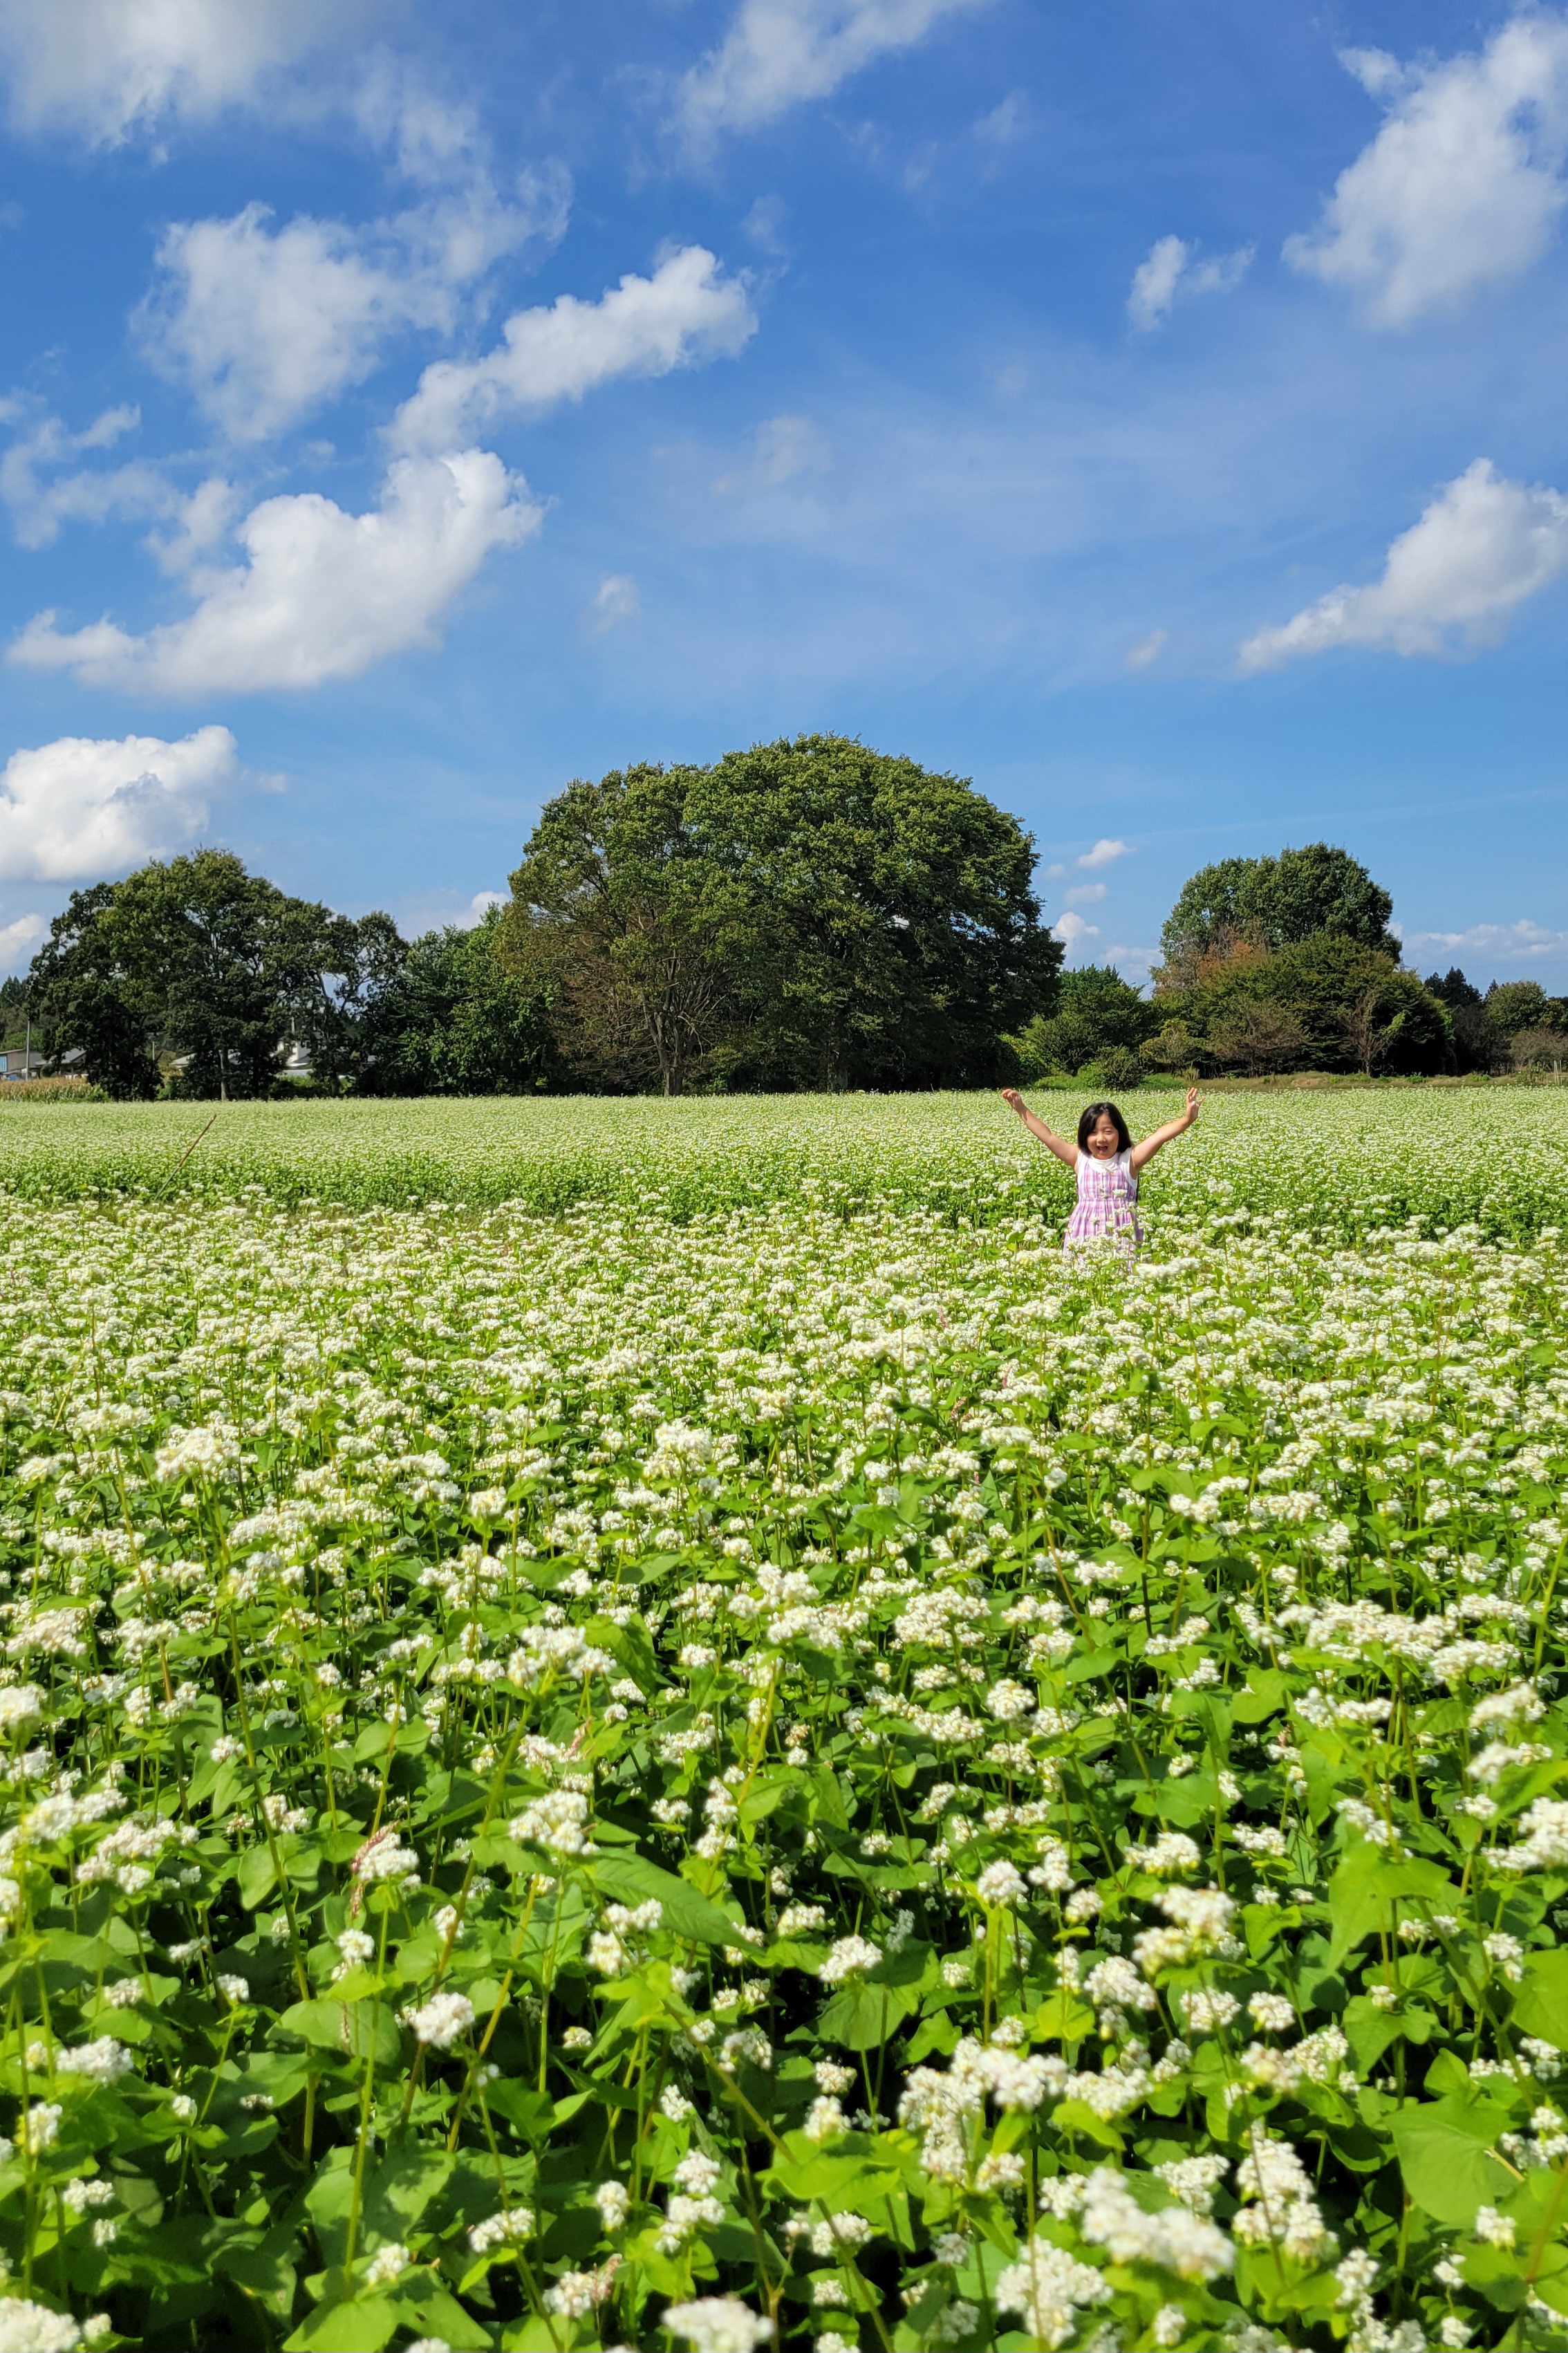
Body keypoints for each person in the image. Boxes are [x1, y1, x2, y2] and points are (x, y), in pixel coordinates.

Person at [998, 1086, 1201, 1252]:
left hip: (1122, 1242)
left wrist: (1187, 1119)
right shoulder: (1080, 1159)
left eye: (1108, 1131)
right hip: (1083, 1239)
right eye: (1093, 1132)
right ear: (1085, 1137)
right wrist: (1021, 1108)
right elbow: (1048, 1136)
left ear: (1119, 1134)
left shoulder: (1129, 1160)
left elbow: (1159, 1136)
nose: (1101, 1138)